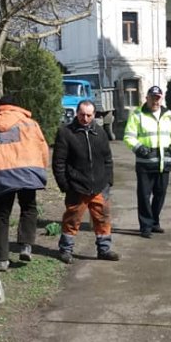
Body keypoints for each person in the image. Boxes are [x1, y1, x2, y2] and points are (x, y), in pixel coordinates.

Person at [0, 95, 50, 271]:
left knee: (1, 216)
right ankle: (26, 245)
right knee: (29, 208)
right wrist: (40, 168)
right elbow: (42, 148)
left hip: (1, 174)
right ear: (17, 106)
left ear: (0, 107)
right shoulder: (30, 124)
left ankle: (2, 259)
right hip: (28, 171)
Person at [52, 99, 119, 264]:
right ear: (77, 113)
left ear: (94, 115)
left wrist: (108, 182)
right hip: (76, 187)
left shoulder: (100, 133)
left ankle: (104, 250)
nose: (85, 118)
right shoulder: (66, 133)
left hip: (99, 186)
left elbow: (108, 159)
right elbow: (58, 162)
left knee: (102, 219)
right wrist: (65, 185)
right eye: (82, 114)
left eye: (89, 115)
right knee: (72, 219)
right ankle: (66, 250)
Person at [123, 85, 171, 238]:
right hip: (145, 163)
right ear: (147, 98)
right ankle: (145, 226)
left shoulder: (169, 115)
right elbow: (128, 136)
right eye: (152, 98)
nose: (155, 101)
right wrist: (139, 148)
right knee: (144, 196)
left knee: (160, 194)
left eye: (158, 98)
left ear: (161, 99)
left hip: (164, 163)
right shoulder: (137, 115)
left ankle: (155, 222)